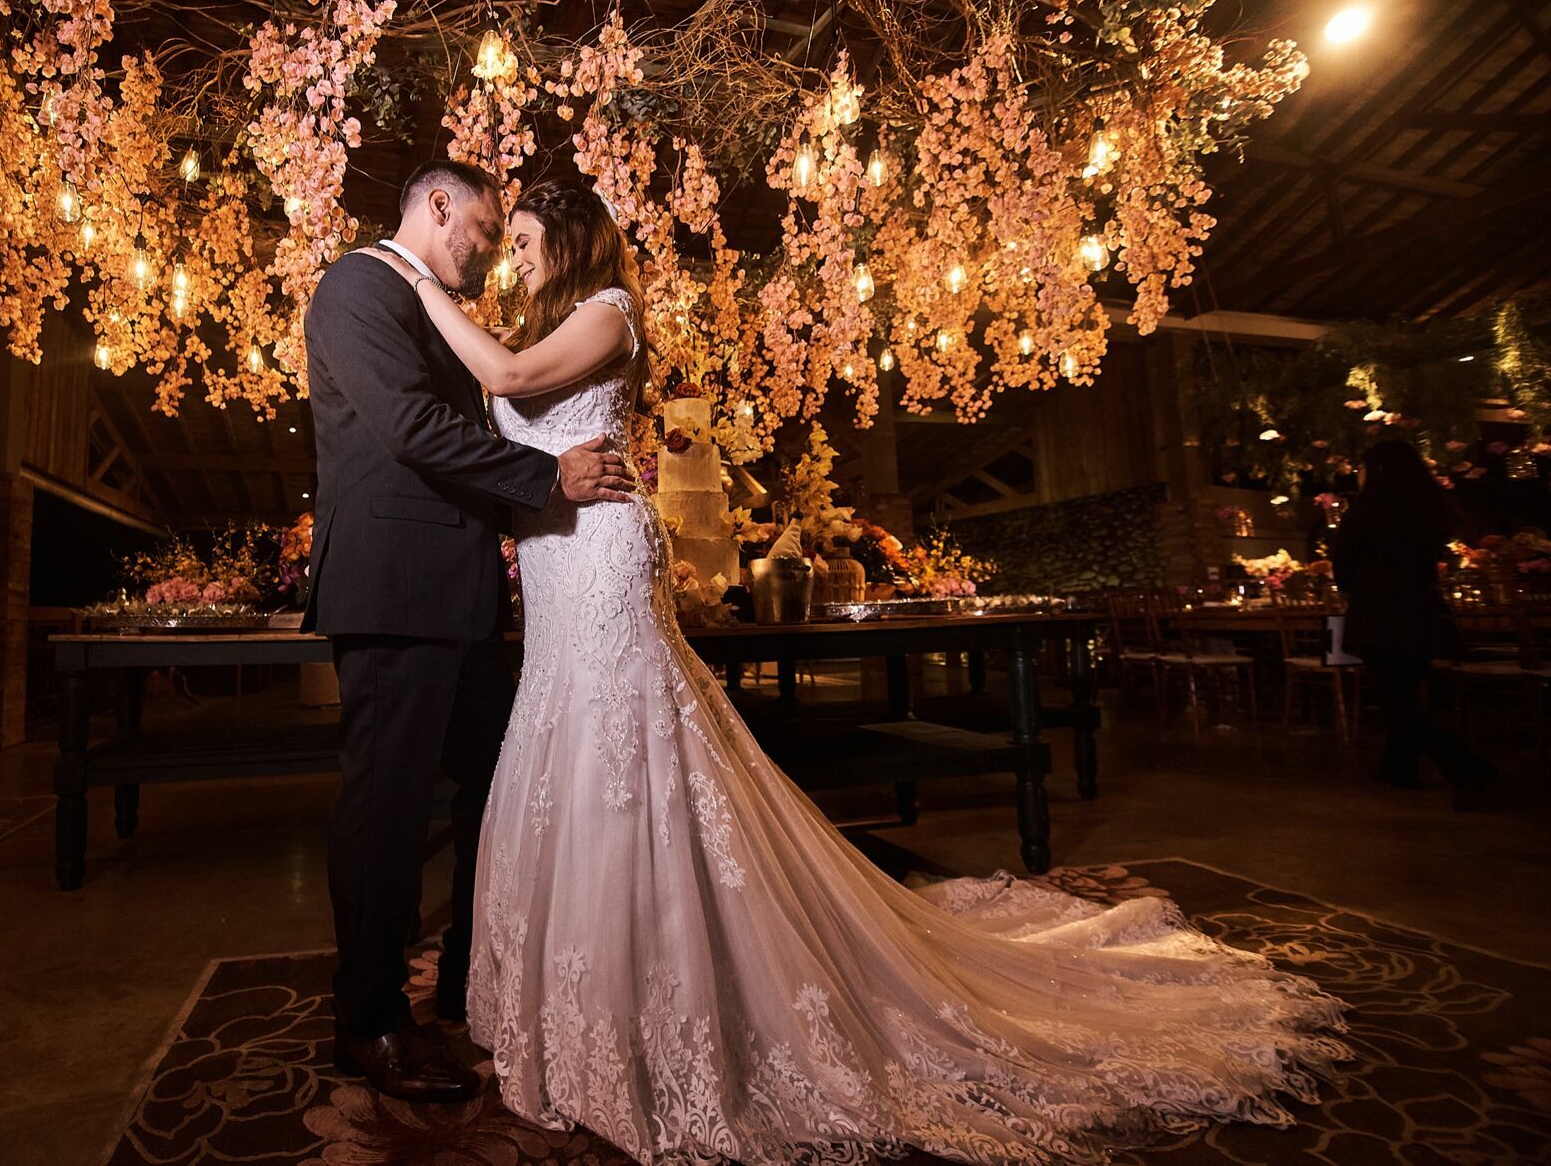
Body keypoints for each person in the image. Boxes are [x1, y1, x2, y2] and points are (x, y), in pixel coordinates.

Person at [365, 177, 1352, 1166]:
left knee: (626, 766)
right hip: (551, 571)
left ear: (573, 244)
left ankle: (659, 1004)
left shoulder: (607, 314)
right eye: (512, 243)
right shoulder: (548, 324)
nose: (516, 259)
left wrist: (409, 268)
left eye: (528, 241)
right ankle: (584, 1000)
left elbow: (498, 366)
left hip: (605, 563)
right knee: (565, 762)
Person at [302, 160, 633, 1103]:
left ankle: (462, 978)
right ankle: (367, 1020)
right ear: (439, 206)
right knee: (388, 811)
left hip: (462, 595)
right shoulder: (359, 284)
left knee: (497, 787)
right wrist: (545, 481)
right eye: (488, 230)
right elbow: (408, 427)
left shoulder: (437, 304)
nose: (493, 252)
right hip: (397, 591)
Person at [1331, 438, 1494, 809]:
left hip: (1380, 613)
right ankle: (1399, 768)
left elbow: (1344, 563)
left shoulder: (1367, 511)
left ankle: (1468, 768)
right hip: (1422, 611)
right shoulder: (1428, 508)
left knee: (1396, 703)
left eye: (1363, 469)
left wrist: (1355, 585)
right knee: (1405, 693)